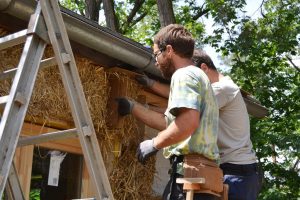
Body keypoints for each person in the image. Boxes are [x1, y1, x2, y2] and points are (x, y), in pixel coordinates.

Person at [131, 49, 261, 200]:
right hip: (229, 170)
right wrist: (152, 85)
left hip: (236, 174)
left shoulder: (223, 89)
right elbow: (183, 96)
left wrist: (137, 107)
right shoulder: (216, 90)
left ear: (204, 68)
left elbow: (185, 108)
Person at [116, 24, 220, 200]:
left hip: (190, 177)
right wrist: (134, 107)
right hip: (203, 178)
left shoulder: (183, 75)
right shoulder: (199, 76)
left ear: (169, 50)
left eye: (156, 54)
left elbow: (188, 123)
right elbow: (171, 124)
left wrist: (154, 143)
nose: (155, 60)